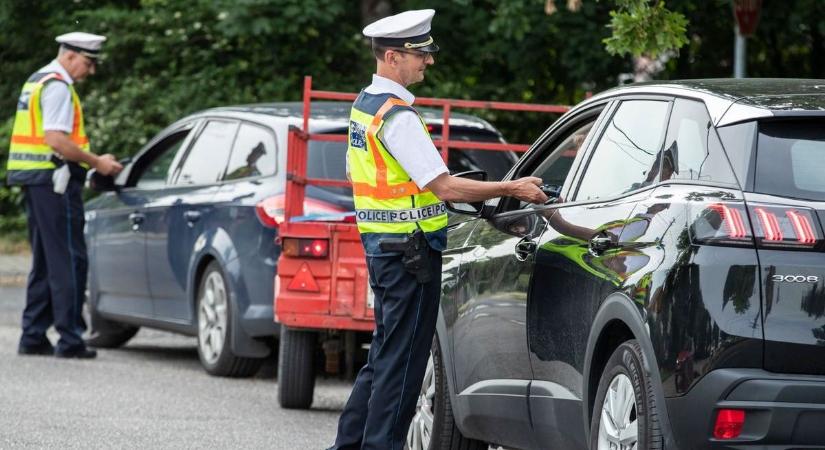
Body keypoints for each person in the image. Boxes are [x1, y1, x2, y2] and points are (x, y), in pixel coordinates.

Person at [329, 9, 547, 449]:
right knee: (405, 365)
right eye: (419, 54)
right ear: (392, 57)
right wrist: (513, 187)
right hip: (409, 255)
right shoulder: (398, 118)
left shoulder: (365, 106)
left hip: (384, 249)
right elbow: (444, 186)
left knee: (384, 359)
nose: (427, 61)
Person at [6, 32, 123, 359]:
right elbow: (56, 140)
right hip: (53, 183)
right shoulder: (58, 86)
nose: (91, 71)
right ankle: (70, 339)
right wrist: (97, 162)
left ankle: (33, 335)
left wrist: (84, 168)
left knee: (45, 260)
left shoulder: (38, 79)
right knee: (69, 260)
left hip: (37, 181)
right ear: (70, 55)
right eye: (88, 63)